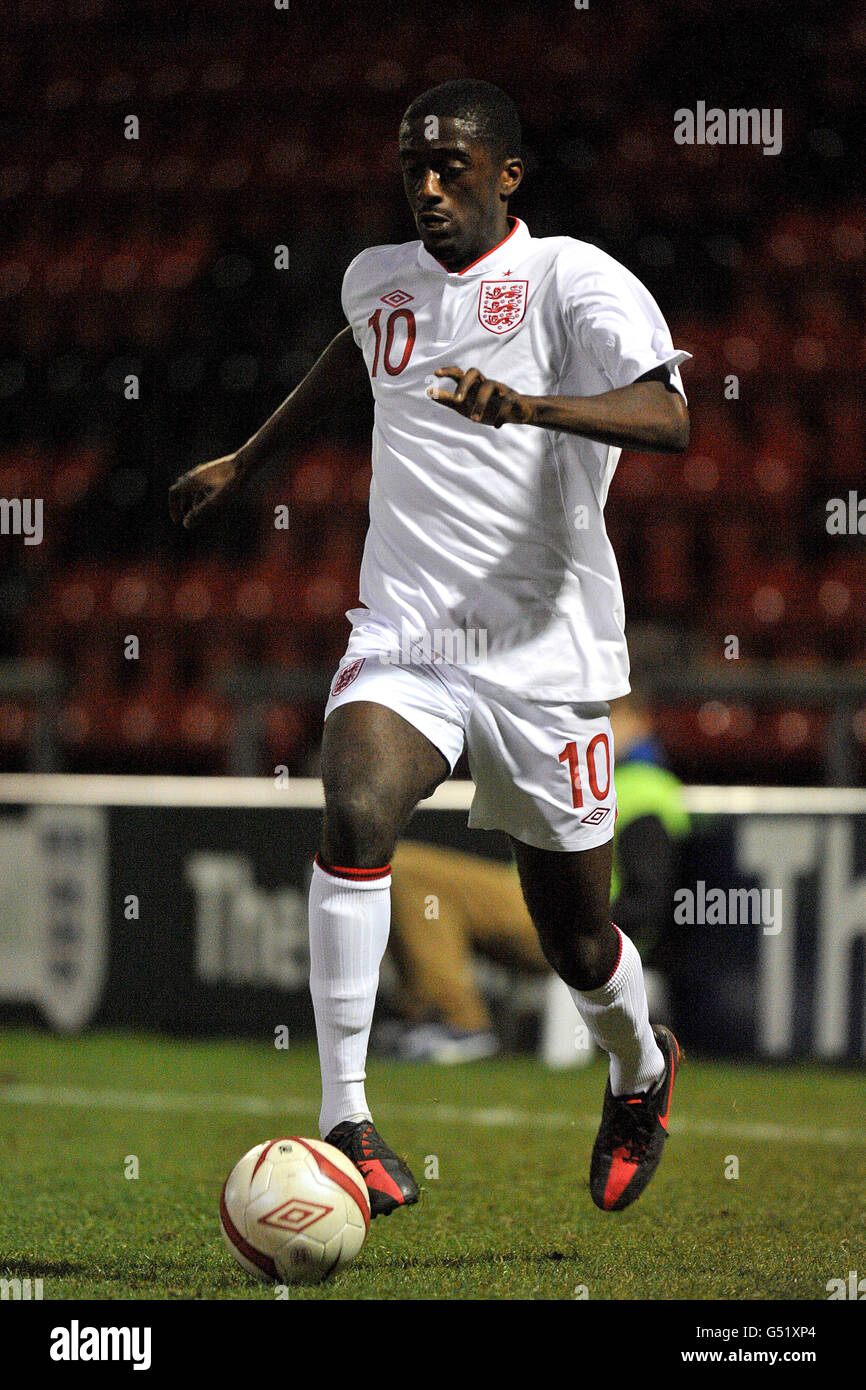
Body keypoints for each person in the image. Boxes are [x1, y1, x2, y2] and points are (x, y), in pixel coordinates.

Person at [169, 80, 691, 1217]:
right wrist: (244, 462)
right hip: (406, 635)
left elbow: (668, 417)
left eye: (452, 166)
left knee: (576, 936)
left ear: (507, 174)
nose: (429, 187)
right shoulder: (378, 279)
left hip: (545, 657)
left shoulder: (573, 280)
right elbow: (352, 355)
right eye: (414, 168)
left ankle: (638, 1070)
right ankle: (344, 1114)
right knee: (353, 803)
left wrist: (530, 406)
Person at [377, 688, 691, 1062]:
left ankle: (458, 1022)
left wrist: (596, 948)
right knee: (408, 875)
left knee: (411, 872)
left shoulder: (644, 786)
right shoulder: (595, 771)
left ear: (641, 722)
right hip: (543, 904)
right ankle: (432, 1017)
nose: (597, 725)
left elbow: (648, 894)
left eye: (611, 715)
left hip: (573, 915)